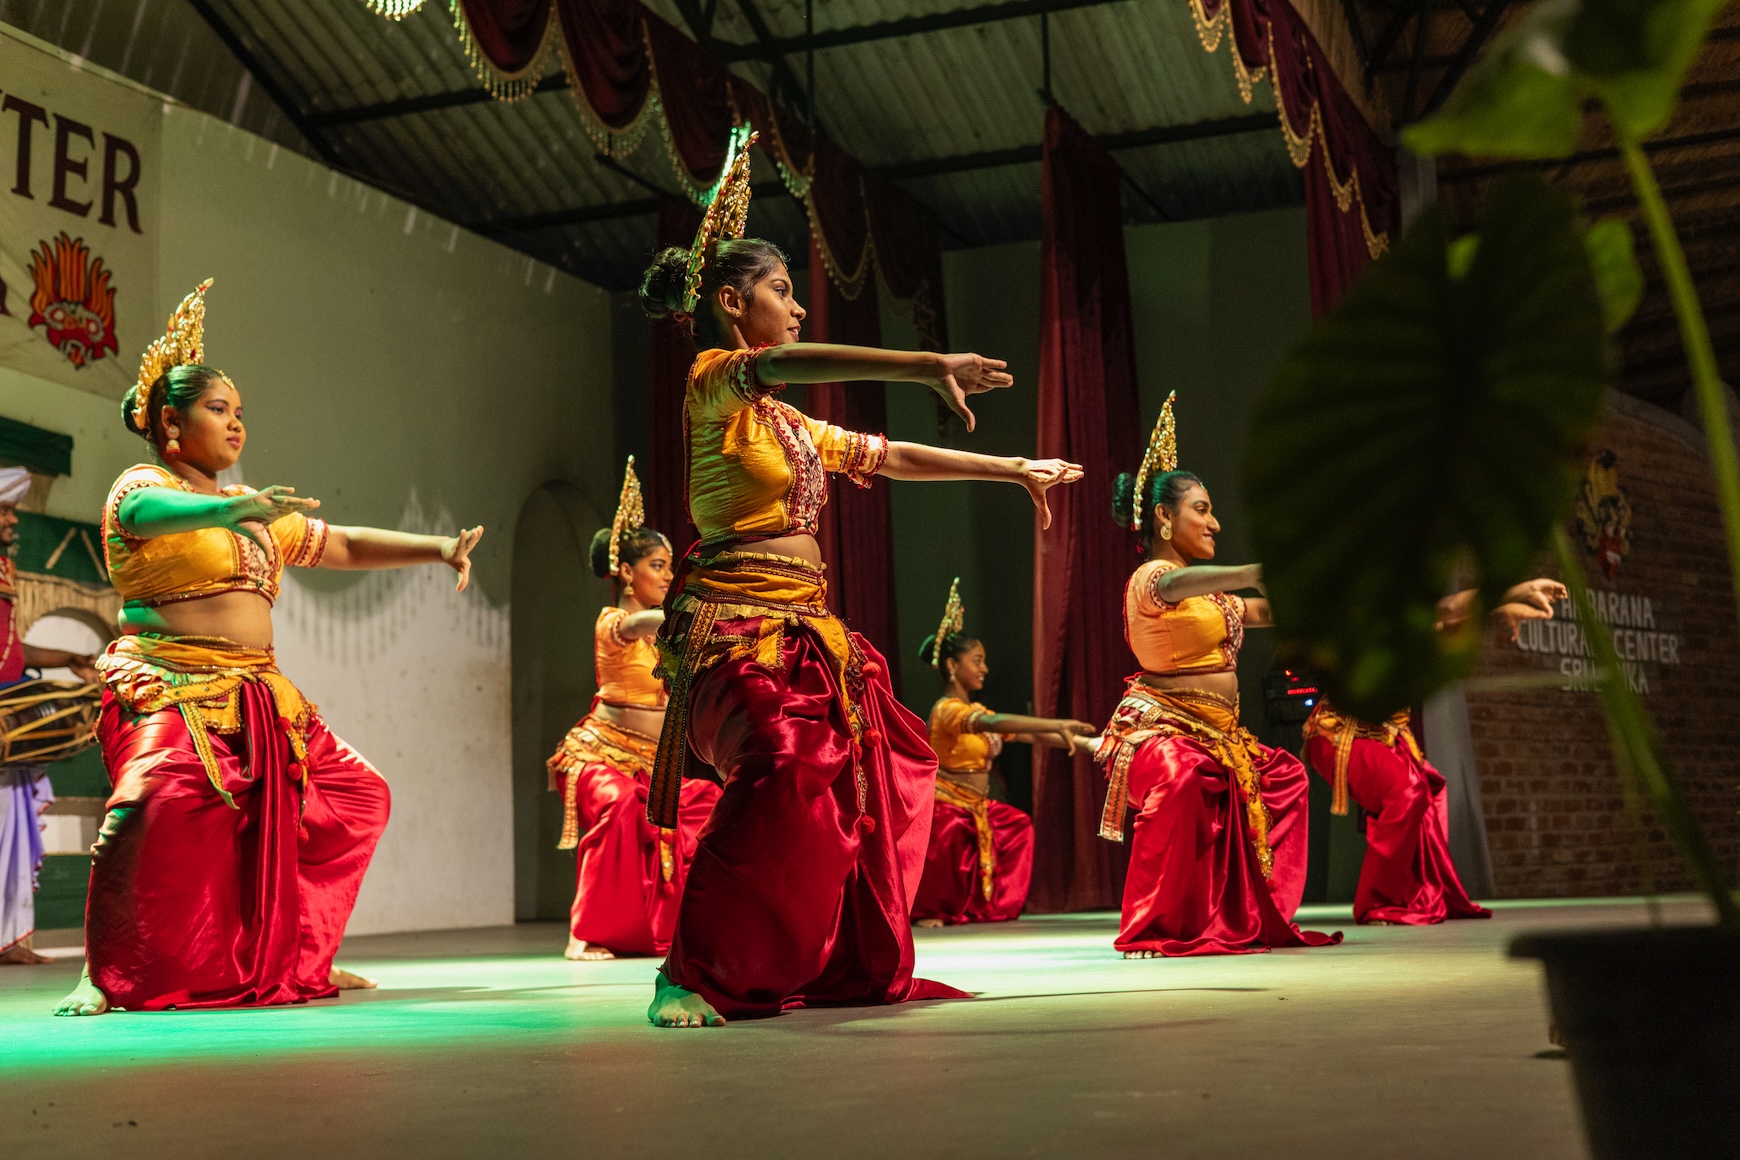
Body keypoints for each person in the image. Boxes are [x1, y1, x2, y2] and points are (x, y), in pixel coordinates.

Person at [638, 127, 1082, 1026]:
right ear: (733, 302)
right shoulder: (713, 380)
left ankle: (826, 958)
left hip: (807, 630)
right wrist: (925, 364)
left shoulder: (792, 427)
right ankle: (686, 972)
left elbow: (890, 456)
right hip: (734, 627)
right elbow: (785, 362)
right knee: (782, 760)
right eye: (783, 290)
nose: (800, 307)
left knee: (863, 772)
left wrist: (1009, 470)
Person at [54, 280, 484, 1015]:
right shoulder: (142, 486)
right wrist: (231, 509)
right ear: (170, 422)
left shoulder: (250, 514)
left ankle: (302, 951)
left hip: (259, 692)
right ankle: (104, 971)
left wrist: (437, 548)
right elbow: (148, 513)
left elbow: (342, 544)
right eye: (219, 409)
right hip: (171, 683)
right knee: (148, 806)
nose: (236, 425)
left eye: (240, 413)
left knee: (357, 799)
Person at [1094, 392, 1339, 957]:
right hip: (1159, 733)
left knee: (1285, 779)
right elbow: (1175, 585)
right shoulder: (1151, 579)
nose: (1215, 523)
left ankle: (1242, 914)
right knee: (1182, 780)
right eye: (1201, 509)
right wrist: (1253, 570)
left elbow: (1268, 611)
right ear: (1164, 517)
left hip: (1218, 733)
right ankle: (1153, 925)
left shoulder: (1214, 596)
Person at [1300, 579, 1564, 925]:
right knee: (1406, 792)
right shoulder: (1370, 609)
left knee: (1428, 787)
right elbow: (1450, 610)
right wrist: (1516, 592)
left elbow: (1449, 620)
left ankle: (1421, 894)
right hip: (1338, 733)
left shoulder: (1410, 620)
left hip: (1386, 734)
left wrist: (1503, 609)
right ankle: (1376, 902)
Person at [547, 457, 719, 960]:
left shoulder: (667, 637)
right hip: (597, 756)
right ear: (626, 571)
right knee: (622, 807)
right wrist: (689, 617)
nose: (667, 575)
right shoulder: (613, 624)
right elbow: (642, 623)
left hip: (652, 762)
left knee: (711, 805)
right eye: (657, 566)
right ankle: (586, 934)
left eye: (669, 566)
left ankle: (692, 927)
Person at [913, 577, 1094, 926]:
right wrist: (1057, 722)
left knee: (1016, 825)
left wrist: (1089, 744)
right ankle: (934, 908)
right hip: (947, 804)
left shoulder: (975, 710)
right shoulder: (948, 710)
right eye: (977, 660)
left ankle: (988, 907)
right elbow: (996, 724)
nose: (984, 668)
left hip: (975, 803)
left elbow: (1022, 735)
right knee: (952, 830)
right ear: (952, 666)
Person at [0, 466, 100, 966]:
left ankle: (9, 940)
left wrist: (68, 659)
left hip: (9, 719)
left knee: (11, 830)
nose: (12, 521)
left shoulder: (4, 569)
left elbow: (14, 650)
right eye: (4, 512)